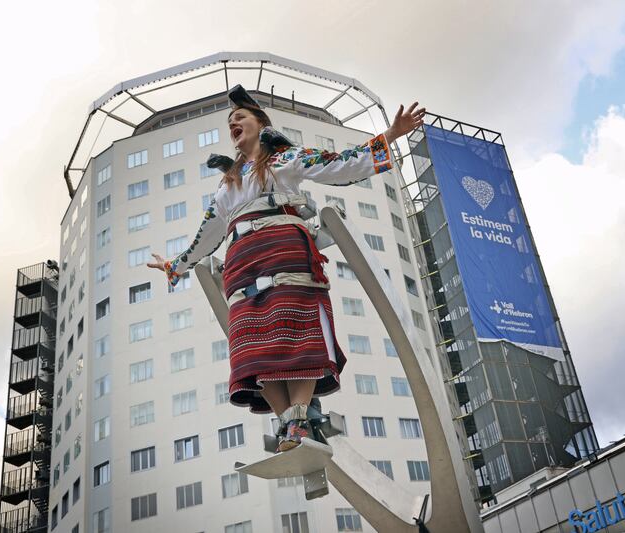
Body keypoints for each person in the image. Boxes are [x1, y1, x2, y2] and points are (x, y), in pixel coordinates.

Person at [148, 85, 424, 451]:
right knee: (253, 349)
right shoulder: (226, 186)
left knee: (298, 334)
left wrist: (390, 135)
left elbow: (341, 165)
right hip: (243, 266)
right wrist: (176, 265)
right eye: (230, 121)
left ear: (261, 124)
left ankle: (300, 420)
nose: (233, 123)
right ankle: (288, 424)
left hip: (286, 253)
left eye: (240, 117)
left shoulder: (286, 160)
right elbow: (206, 235)